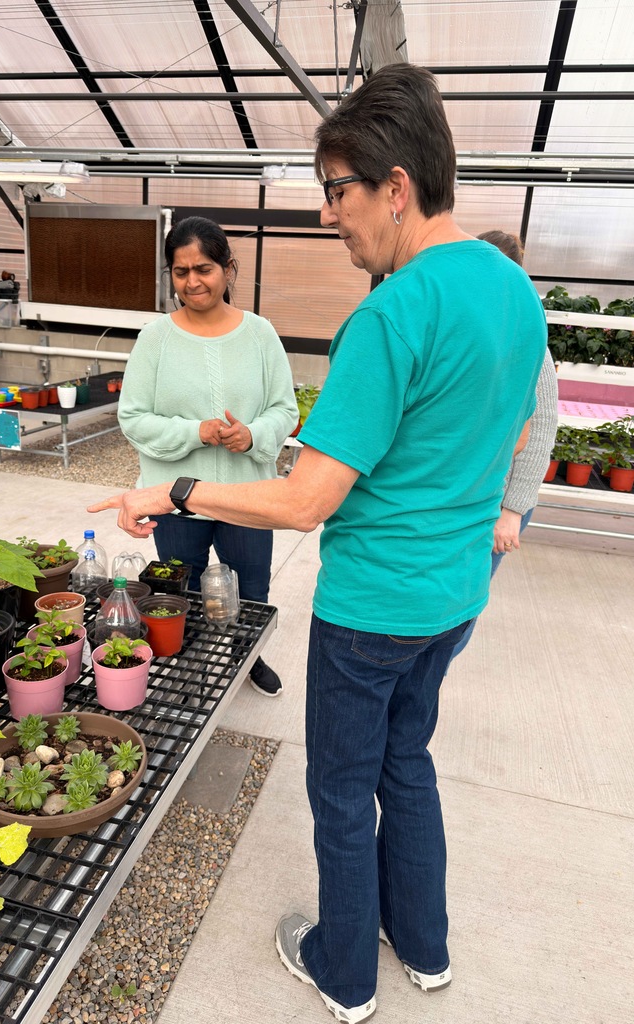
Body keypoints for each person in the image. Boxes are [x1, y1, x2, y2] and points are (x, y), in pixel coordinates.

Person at [89, 65, 546, 1023]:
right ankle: (423, 946)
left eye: (337, 191)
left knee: (340, 789)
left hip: (373, 606)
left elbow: (304, 503)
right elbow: (500, 433)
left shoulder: (391, 314)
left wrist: (173, 488)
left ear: (396, 187)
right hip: (456, 594)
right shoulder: (513, 289)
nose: (328, 214)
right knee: (406, 763)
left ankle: (345, 972)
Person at [115, 216, 298, 697]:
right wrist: (195, 432)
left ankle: (247, 656)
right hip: (176, 497)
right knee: (181, 590)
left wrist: (252, 435)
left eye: (204, 269)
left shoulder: (260, 334)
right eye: (181, 271)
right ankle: (189, 663)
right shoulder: (155, 338)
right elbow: (132, 417)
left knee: (252, 588)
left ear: (228, 269)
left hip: (247, 496)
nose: (192, 281)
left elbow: (285, 409)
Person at [450, 230, 559, 661]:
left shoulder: (527, 337)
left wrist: (512, 511)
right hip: (468, 492)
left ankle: (435, 675)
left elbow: (542, 426)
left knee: (462, 604)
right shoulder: (478, 328)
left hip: (499, 503)